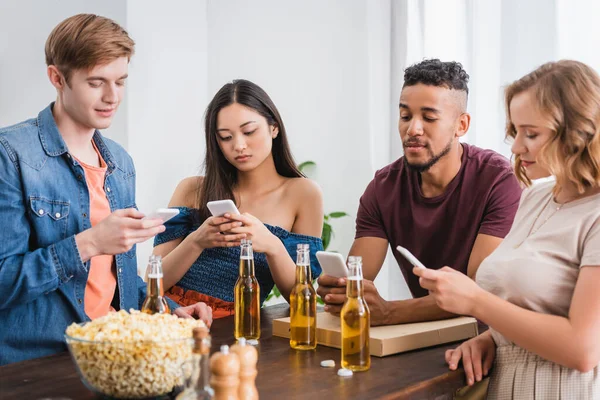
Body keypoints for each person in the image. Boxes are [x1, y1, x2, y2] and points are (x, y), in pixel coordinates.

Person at [0, 14, 211, 366]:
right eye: (96, 82)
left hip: (111, 358)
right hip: (38, 364)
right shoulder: (11, 155)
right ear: (57, 78)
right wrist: (91, 242)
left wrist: (171, 310)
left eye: (121, 81)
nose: (112, 97)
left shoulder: (120, 164)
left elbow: (119, 281)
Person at [416, 60, 600, 399]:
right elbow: (532, 304)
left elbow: (583, 349)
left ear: (579, 132)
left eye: (531, 134)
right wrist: (492, 339)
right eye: (515, 132)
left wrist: (475, 301)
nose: (515, 148)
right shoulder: (536, 196)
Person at [318, 59, 522, 326]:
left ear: (461, 125)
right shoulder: (382, 188)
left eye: (429, 117)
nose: (412, 129)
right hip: (424, 333)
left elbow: (478, 291)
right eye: (405, 116)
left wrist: (389, 312)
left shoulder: (499, 180)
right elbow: (359, 277)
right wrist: (340, 289)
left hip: (488, 335)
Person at [153, 79, 324, 318]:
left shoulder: (303, 194)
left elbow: (299, 297)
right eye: (226, 137)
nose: (239, 145)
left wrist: (272, 246)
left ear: (274, 128)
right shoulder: (192, 189)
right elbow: (151, 282)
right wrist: (197, 241)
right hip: (173, 316)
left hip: (241, 326)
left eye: (249, 131)